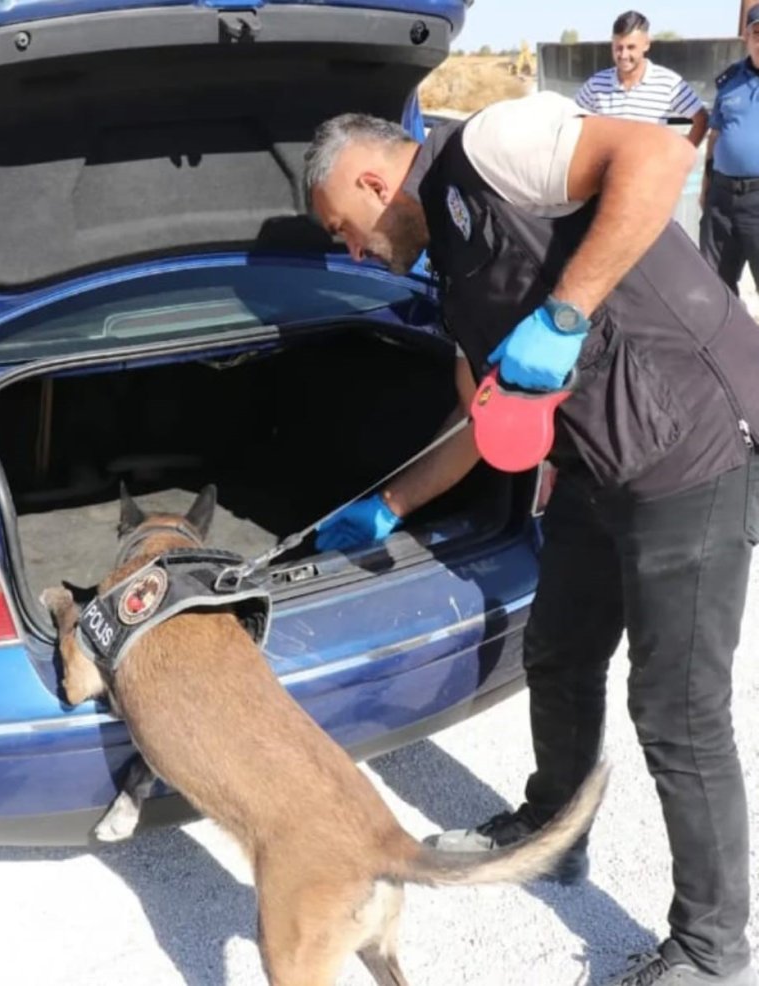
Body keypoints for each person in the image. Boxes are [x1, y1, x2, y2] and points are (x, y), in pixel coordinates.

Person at [304, 90, 759, 986]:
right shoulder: (449, 267)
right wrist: (387, 506)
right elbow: (483, 420)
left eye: (342, 230)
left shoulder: (490, 146)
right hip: (599, 462)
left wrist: (564, 314)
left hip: (696, 447)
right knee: (558, 652)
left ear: (370, 182)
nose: (352, 251)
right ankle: (554, 833)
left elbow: (659, 159)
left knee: (676, 708)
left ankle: (713, 951)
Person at [575, 10, 709, 146]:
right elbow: (572, 119)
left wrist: (681, 156)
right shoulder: (596, 84)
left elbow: (701, 119)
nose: (623, 55)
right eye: (618, 48)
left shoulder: (668, 83)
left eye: (631, 47)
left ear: (646, 44)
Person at [699, 5, 759, 297]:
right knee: (714, 284)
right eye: (757, 34)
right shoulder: (729, 82)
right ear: (746, 38)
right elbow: (715, 135)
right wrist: (706, 185)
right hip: (721, 198)